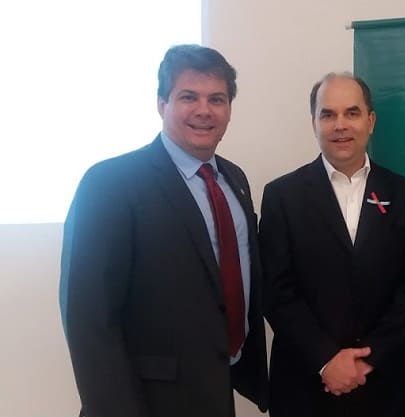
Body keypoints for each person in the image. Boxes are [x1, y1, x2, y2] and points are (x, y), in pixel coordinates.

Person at [60, 44, 269, 417]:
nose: (204, 110)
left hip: (218, 390)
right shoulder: (110, 183)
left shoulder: (234, 180)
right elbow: (89, 318)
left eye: (217, 99)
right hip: (146, 400)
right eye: (189, 97)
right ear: (161, 103)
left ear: (229, 109)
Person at [258, 72, 405, 417]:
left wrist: (367, 359)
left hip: (384, 386)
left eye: (352, 113)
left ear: (371, 121)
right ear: (314, 123)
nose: (340, 125)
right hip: (304, 386)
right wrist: (326, 360)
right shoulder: (282, 196)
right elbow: (276, 291)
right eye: (328, 114)